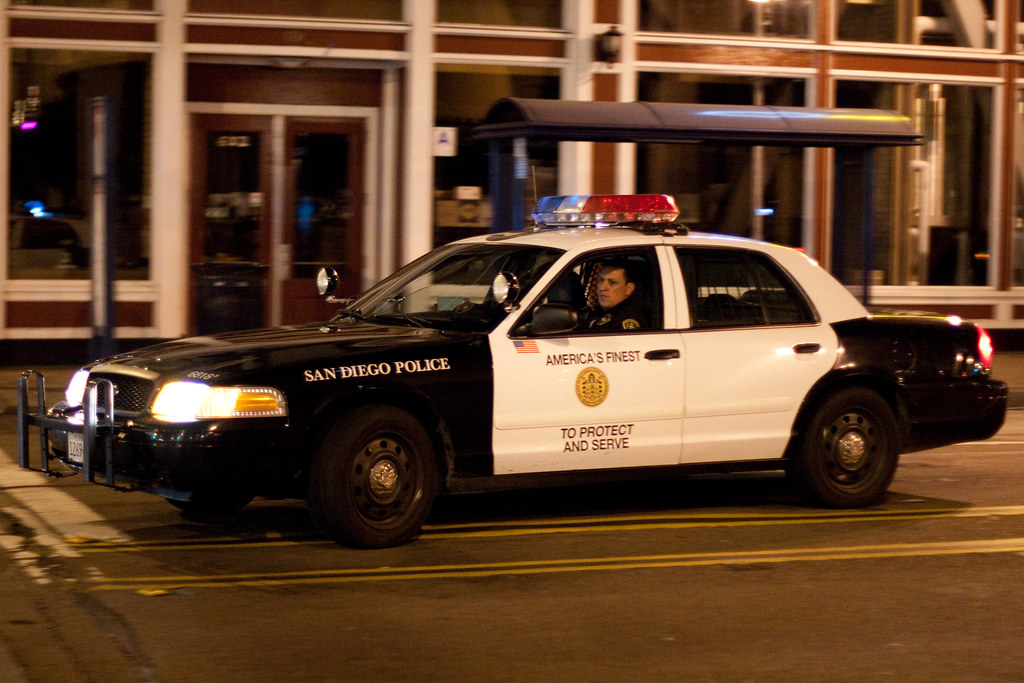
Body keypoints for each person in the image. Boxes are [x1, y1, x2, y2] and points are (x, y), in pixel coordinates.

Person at [580, 259, 649, 331]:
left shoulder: (627, 317)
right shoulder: (597, 312)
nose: (602, 287)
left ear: (628, 289)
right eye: (601, 280)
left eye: (612, 282)